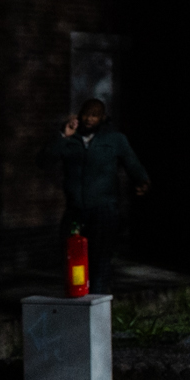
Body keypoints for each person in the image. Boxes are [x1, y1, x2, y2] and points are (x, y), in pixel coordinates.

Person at [39, 99, 150, 295]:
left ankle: (97, 301)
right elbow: (44, 159)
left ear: (102, 117)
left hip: (104, 208)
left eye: (95, 114)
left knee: (100, 258)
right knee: (72, 256)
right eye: (86, 114)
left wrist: (141, 180)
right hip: (75, 210)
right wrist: (63, 136)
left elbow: (131, 162)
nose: (89, 118)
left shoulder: (115, 139)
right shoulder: (70, 140)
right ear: (79, 115)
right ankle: (77, 298)